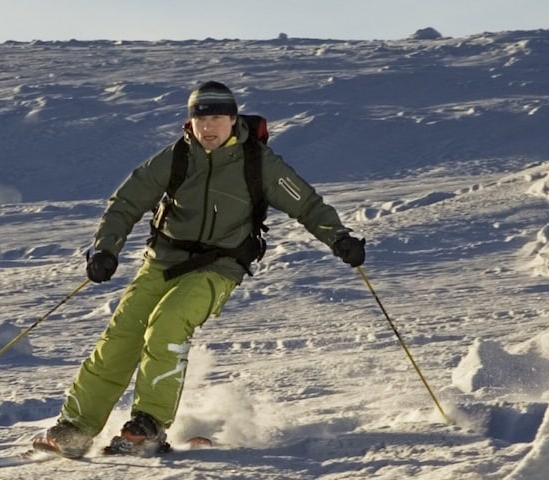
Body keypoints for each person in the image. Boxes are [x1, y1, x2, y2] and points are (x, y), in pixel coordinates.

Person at [35, 81, 365, 457]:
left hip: (219, 266)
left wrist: (339, 238)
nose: (209, 127)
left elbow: (307, 205)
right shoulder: (175, 157)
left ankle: (149, 424)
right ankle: (75, 428)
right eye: (201, 118)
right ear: (189, 122)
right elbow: (125, 203)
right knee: (121, 337)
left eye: (218, 118)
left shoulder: (258, 163)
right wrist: (105, 250)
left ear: (233, 119)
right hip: (162, 261)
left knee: (168, 323)